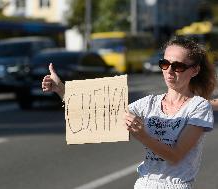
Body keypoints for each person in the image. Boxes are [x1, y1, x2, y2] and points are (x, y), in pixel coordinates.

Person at [41, 36, 216, 189]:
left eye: (178, 66)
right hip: (143, 184)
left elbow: (175, 156)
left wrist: (142, 135)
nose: (169, 71)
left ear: (195, 70)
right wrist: (61, 90)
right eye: (164, 64)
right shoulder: (149, 103)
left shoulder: (198, 107)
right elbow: (101, 117)